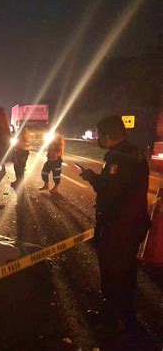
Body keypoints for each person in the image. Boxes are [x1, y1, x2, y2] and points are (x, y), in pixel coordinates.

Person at [80, 115, 150, 333]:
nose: (99, 139)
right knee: (128, 271)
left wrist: (91, 178)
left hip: (117, 226)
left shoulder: (117, 158)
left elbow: (111, 192)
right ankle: (128, 315)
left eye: (100, 135)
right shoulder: (136, 153)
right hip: (135, 223)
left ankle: (109, 318)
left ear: (108, 136)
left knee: (110, 272)